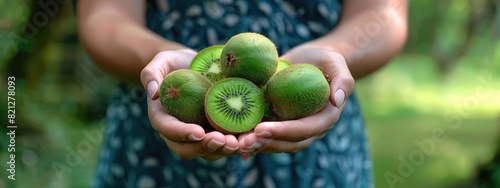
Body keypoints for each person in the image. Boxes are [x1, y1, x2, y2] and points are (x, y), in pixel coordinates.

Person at [76, 0, 407, 187]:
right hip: (162, 116)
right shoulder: (187, 84)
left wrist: (334, 53)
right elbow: (104, 16)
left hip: (313, 126)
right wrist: (160, 55)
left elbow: (384, 13)